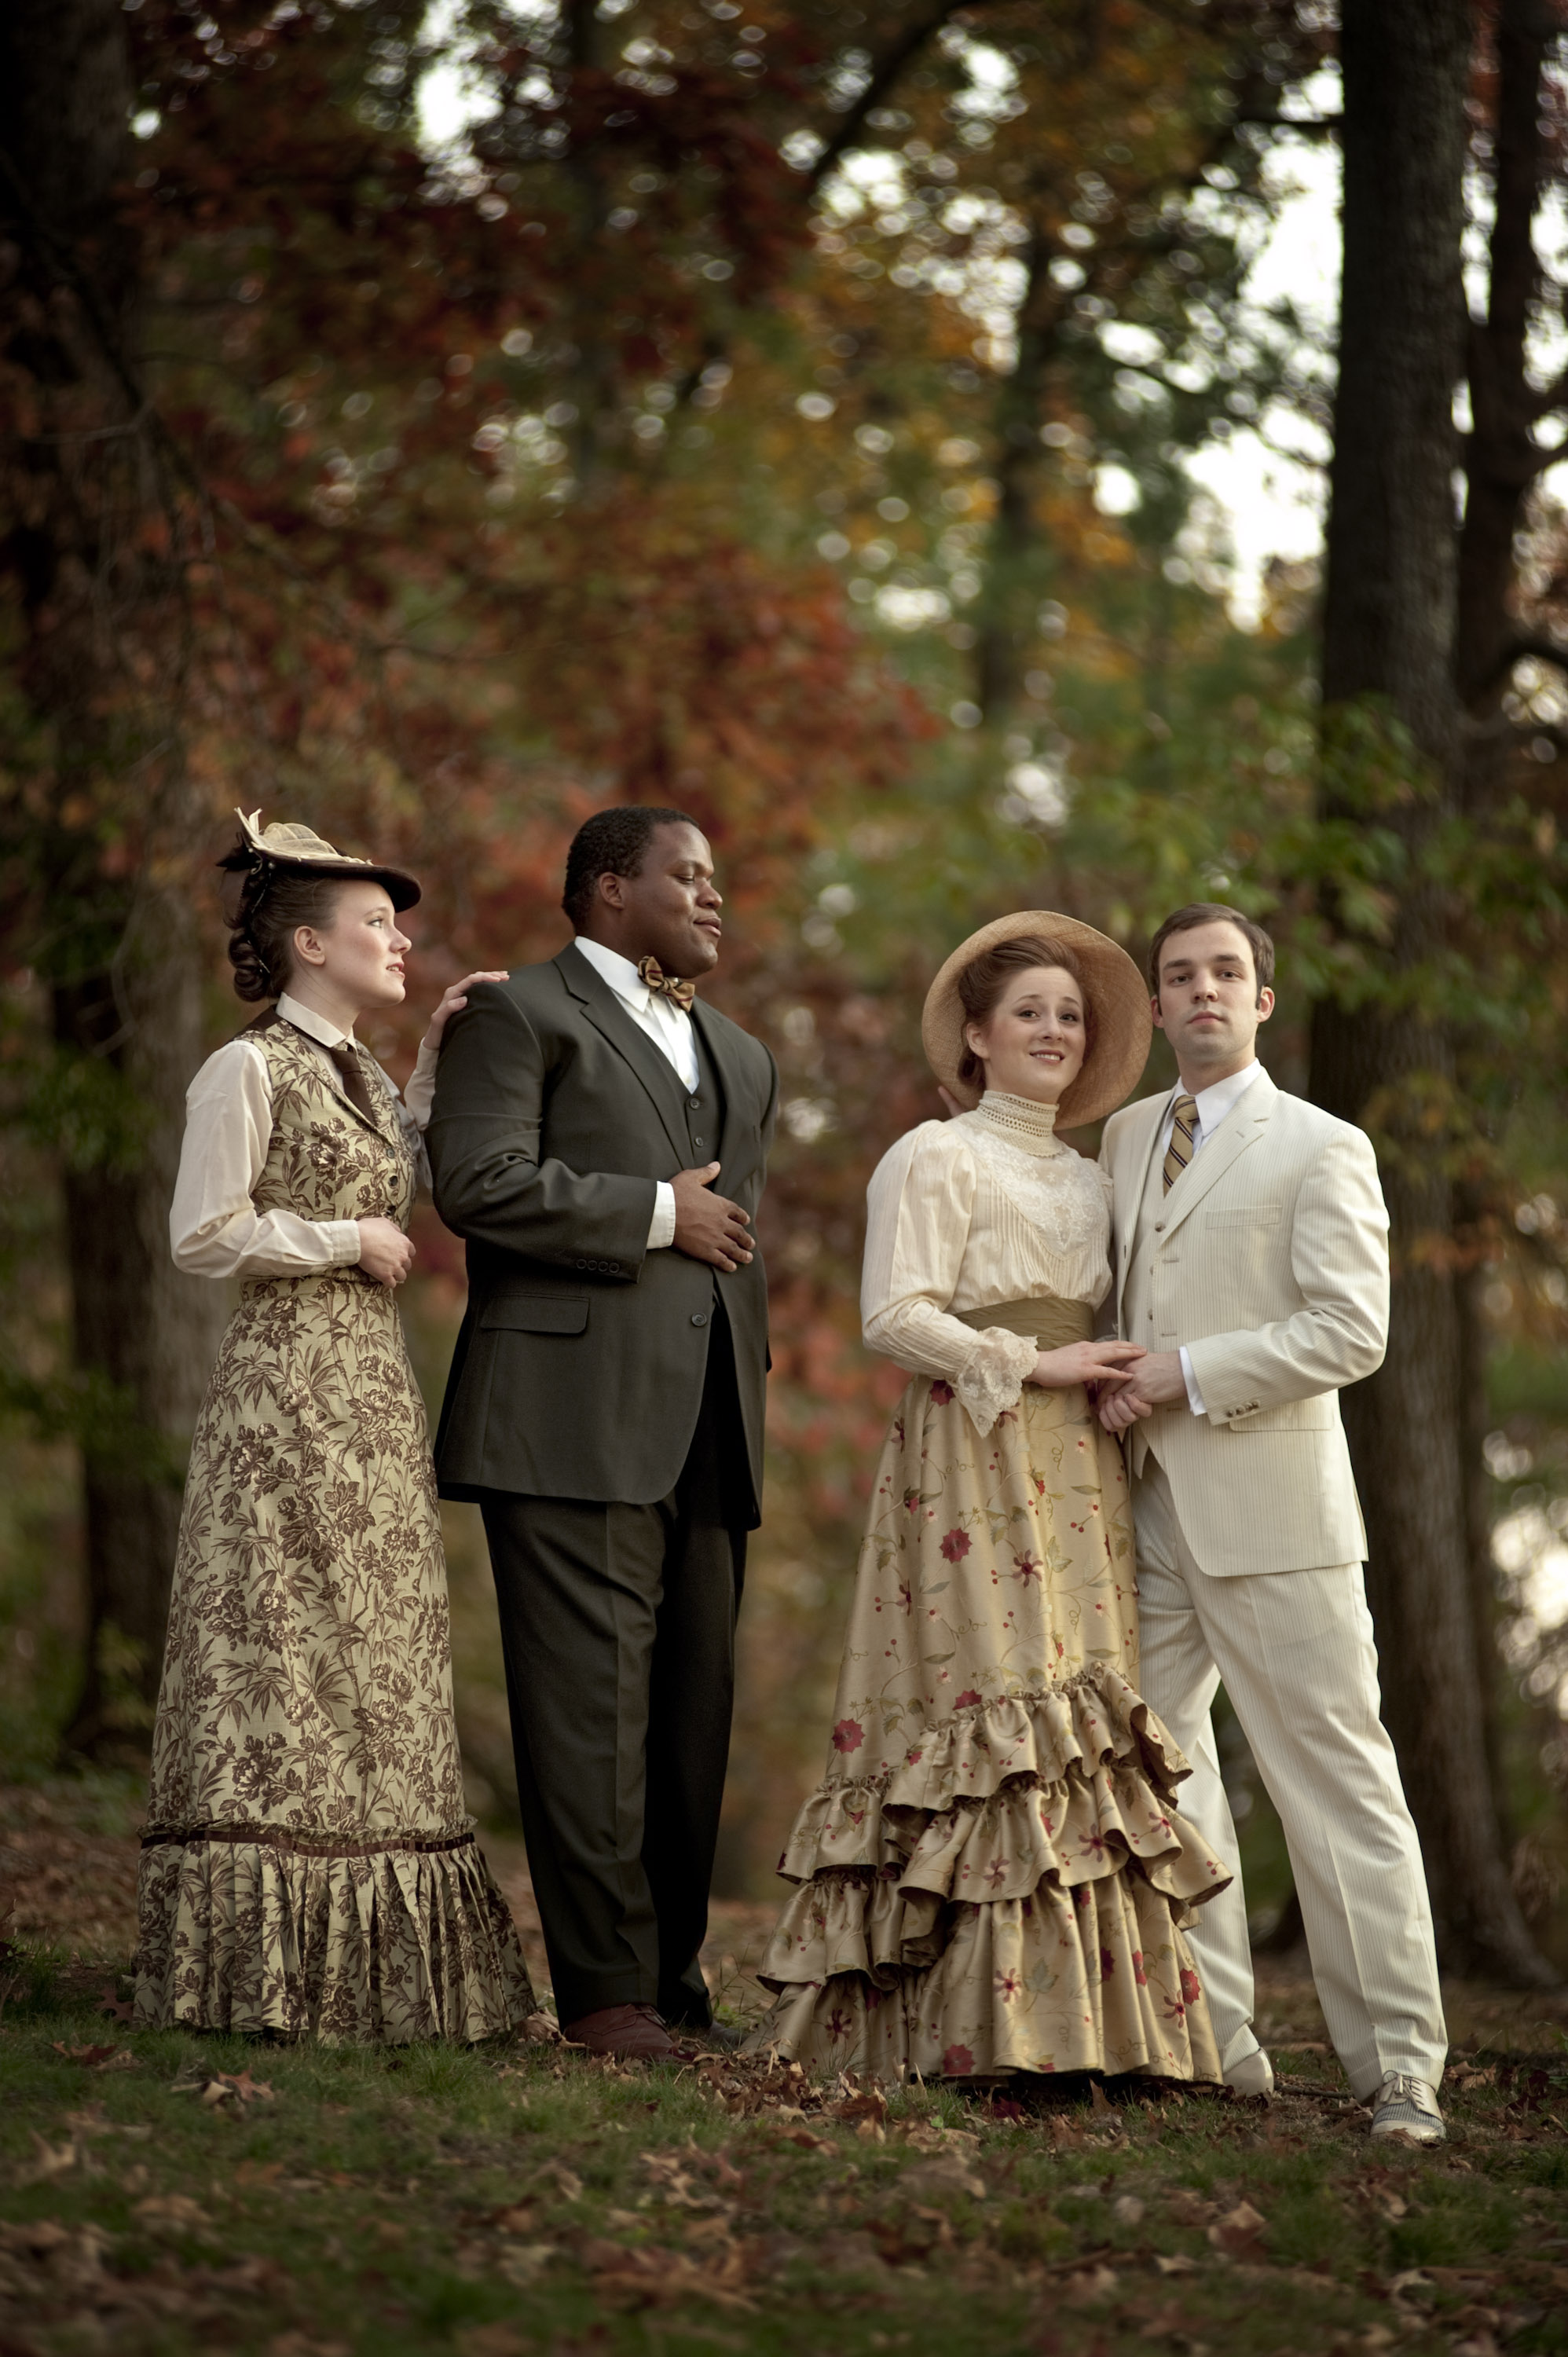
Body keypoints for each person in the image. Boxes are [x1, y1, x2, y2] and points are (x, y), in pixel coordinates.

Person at [747, 912, 1231, 2083]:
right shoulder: (935, 1154)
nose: (1055, 1031)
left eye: (1071, 1015)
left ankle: (1090, 2032)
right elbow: (894, 1314)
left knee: (1077, 1709)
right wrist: (1034, 1365)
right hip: (973, 1445)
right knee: (993, 1706)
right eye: (1031, 1012)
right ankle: (965, 2026)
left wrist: (1104, 1375)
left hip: (1082, 1465)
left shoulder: (1092, 1173)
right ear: (976, 1034)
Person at [136, 812, 533, 2044]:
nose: (399, 939)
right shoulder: (244, 1068)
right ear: (310, 943)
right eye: (377, 924)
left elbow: (382, 1169)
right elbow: (202, 1233)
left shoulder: (358, 1071)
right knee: (283, 1647)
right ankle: (256, 1974)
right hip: (282, 1397)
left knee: (372, 1652)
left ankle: (380, 1980)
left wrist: (436, 1058)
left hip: (369, 1397)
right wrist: (336, 1242)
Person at [427, 806, 778, 2062]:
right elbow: (473, 1182)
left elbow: (743, 1246)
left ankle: (672, 1985)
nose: (712, 894)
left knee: (690, 1719)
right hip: (563, 1422)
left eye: (717, 876)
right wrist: (645, 1214)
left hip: (711, 1428)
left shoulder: (741, 1051)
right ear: (609, 889)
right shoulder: (517, 1014)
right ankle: (604, 1997)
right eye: (689, 874)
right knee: (586, 1715)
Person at [1096, 901, 1448, 2144]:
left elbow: (1351, 1333)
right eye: (1179, 975)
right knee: (1165, 1777)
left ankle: (1399, 2069)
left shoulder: (1322, 1146)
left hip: (1278, 1510)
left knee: (1335, 1787)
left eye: (1225, 974)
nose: (1201, 991)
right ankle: (1216, 2042)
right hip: (1138, 1510)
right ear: (1155, 1004)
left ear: (1262, 1002)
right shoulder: (1128, 1136)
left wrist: (1185, 1371)